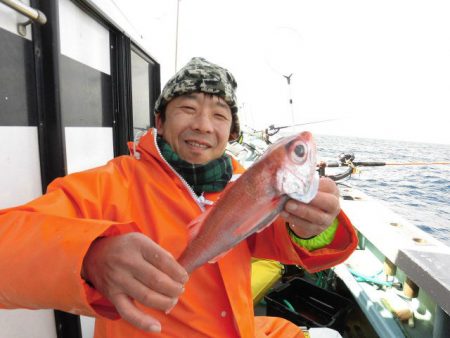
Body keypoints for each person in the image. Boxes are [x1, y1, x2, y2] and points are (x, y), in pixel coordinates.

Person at [0, 57, 357, 337]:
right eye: (188, 108)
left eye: (219, 114)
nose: (203, 124)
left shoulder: (244, 185)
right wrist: (88, 255)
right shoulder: (112, 183)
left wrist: (312, 227)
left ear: (230, 133)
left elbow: (291, 241)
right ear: (160, 119)